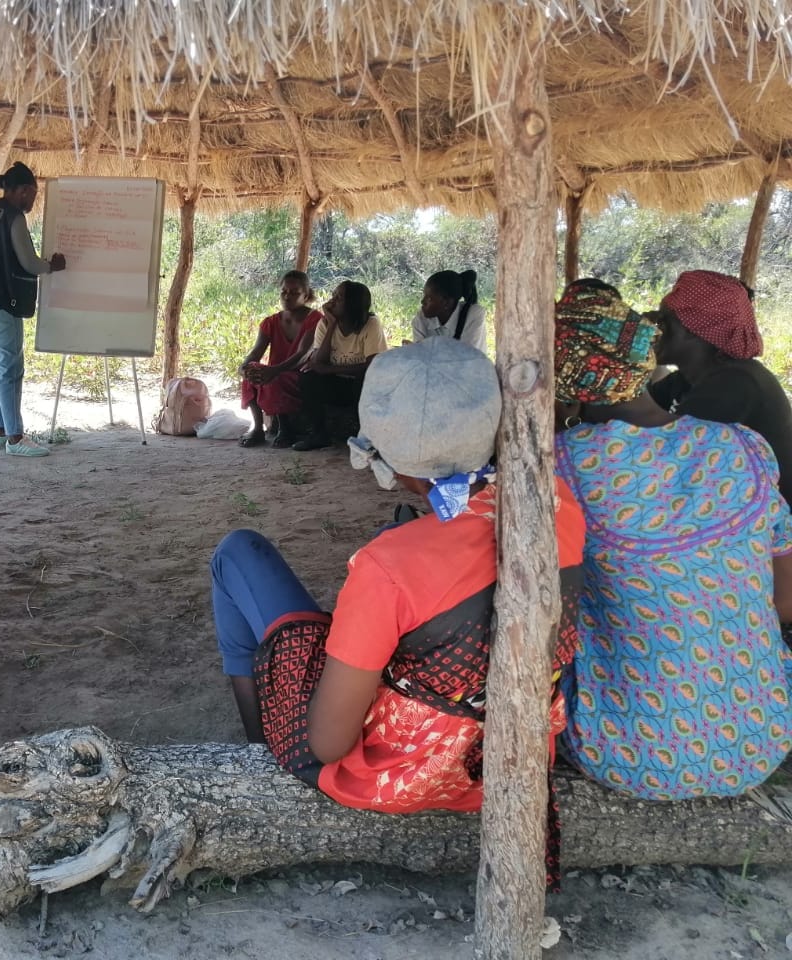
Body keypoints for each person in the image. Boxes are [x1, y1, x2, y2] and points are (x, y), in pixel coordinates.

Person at [210, 339, 584, 868]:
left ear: (388, 456)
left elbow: (329, 743)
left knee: (238, 553)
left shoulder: (388, 565)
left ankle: (258, 753)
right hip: (510, 759)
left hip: (404, 776)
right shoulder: (562, 508)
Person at [552, 280, 792, 801]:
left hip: (628, 753)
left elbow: (550, 624)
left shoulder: (564, 465)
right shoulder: (743, 446)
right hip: (764, 737)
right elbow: (784, 601)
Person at [648, 269, 792, 504]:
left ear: (696, 330)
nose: (654, 329)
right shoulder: (689, 378)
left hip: (773, 525)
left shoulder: (737, 383)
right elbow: (633, 417)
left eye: (663, 321)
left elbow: (664, 452)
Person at [0, 161, 66, 458]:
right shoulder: (13, 216)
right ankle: (16, 438)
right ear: (21, 191)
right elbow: (29, 262)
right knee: (10, 367)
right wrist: (52, 266)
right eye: (32, 194)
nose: (33, 201)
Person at [290, 281, 387, 451]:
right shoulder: (325, 324)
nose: (331, 301)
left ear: (353, 304)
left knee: (364, 379)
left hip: (365, 387)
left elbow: (372, 366)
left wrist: (329, 369)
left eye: (338, 297)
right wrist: (331, 324)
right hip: (338, 385)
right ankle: (319, 435)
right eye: (333, 295)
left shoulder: (371, 324)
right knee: (308, 377)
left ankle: (369, 438)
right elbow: (318, 362)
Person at [236, 270, 323, 447]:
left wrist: (273, 370)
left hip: (301, 374)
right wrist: (244, 368)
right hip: (275, 372)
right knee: (252, 371)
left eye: (294, 293)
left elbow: (302, 355)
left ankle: (285, 429)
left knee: (275, 378)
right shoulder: (271, 322)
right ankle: (258, 428)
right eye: (284, 291)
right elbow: (256, 352)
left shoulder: (315, 319)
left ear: (306, 295)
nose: (287, 297)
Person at [410, 269, 487, 354]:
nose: (422, 301)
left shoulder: (474, 315)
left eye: (429, 298)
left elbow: (466, 358)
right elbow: (420, 356)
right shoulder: (422, 318)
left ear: (446, 302)